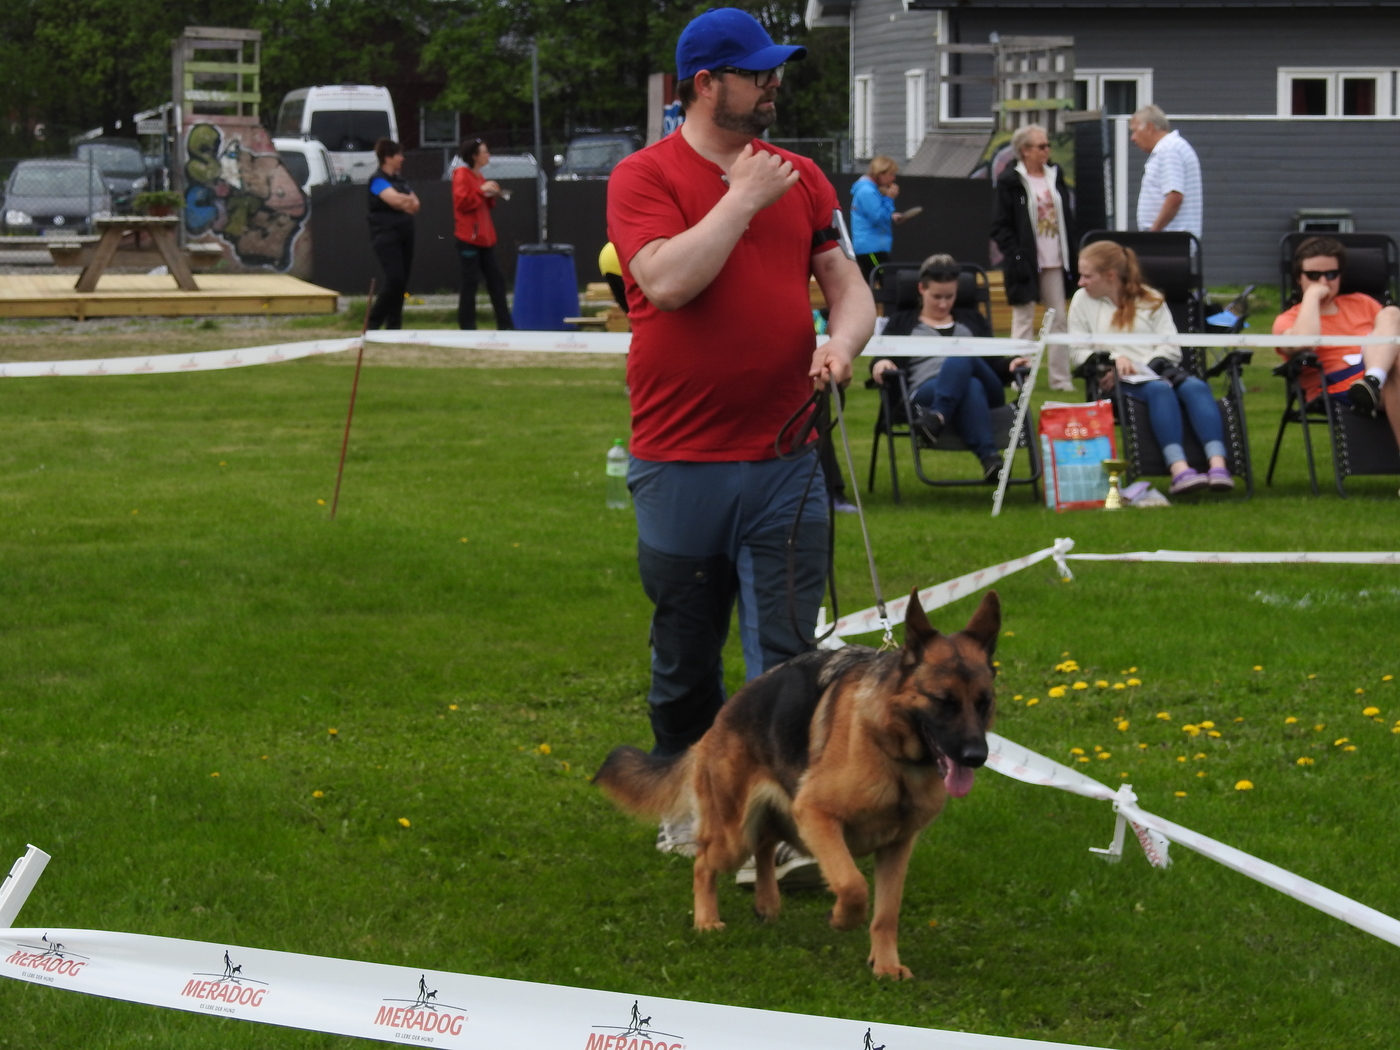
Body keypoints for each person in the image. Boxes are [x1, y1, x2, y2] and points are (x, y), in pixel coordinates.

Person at [606, 7, 874, 854]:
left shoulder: (805, 177)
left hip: (787, 454)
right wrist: (743, 198)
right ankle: (693, 809)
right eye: (756, 73)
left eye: (774, 71)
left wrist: (842, 342)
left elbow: (848, 285)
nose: (773, 85)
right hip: (679, 458)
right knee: (686, 651)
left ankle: (788, 822)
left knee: (791, 653)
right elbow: (667, 281)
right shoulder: (643, 177)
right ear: (705, 84)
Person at [1069, 240, 1233, 494]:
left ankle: (1218, 467)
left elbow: (1172, 348)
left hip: (1156, 370)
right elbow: (1077, 352)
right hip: (1115, 381)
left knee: (1196, 387)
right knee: (1159, 390)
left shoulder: (1151, 299)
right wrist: (1114, 359)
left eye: (1087, 276)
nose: (1081, 282)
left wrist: (1139, 365)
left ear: (1110, 275)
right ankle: (1179, 470)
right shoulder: (1082, 301)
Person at [871, 254, 1028, 481]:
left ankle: (937, 417)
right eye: (937, 297)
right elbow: (881, 356)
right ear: (921, 289)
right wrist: (881, 362)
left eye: (950, 296)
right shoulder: (901, 322)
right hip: (926, 389)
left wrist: (1011, 363)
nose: (943, 304)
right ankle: (990, 459)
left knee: (962, 356)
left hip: (989, 392)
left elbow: (994, 362)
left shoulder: (972, 320)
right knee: (970, 385)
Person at [1273, 236, 1400, 450]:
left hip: (1378, 374)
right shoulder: (1288, 320)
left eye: (1331, 274)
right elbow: (1305, 342)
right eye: (1313, 276)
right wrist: (1311, 297)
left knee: (1392, 313)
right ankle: (1373, 383)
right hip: (1336, 386)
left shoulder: (1363, 303)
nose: (1324, 282)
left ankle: (1372, 380)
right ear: (1299, 278)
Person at [990, 123, 1076, 390]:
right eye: (1041, 146)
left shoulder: (1055, 176)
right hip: (1024, 261)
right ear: (1025, 150)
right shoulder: (1010, 181)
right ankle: (1020, 378)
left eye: (1047, 145)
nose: (1047, 150)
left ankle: (1060, 379)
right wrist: (1016, 255)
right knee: (1023, 319)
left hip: (1055, 260)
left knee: (1058, 319)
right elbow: (1000, 225)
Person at [452, 138, 513, 331]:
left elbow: (482, 204)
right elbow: (462, 203)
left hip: (485, 239)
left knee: (497, 280)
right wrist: (481, 191)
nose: (488, 155)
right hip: (469, 238)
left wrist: (491, 195)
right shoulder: (462, 175)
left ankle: (505, 324)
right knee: (470, 282)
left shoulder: (479, 176)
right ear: (474, 156)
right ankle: (467, 325)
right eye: (485, 152)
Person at [365, 139, 419, 331]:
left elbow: (415, 205)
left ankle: (394, 325)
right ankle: (373, 322)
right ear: (388, 158)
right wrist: (404, 200)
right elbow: (395, 201)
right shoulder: (377, 180)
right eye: (399, 155)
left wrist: (402, 200)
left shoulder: (400, 180)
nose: (402, 158)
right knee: (394, 279)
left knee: (402, 282)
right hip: (386, 235)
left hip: (405, 233)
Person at [1130, 104, 1202, 238]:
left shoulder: (1168, 150)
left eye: (1135, 131)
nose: (1132, 138)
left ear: (1149, 127)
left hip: (1169, 241)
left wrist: (1153, 232)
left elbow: (1175, 196)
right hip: (1171, 240)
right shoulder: (1173, 147)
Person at [850, 155, 908, 283]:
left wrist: (891, 216)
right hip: (870, 248)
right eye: (891, 174)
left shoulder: (871, 190)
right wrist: (889, 198)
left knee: (870, 283)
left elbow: (875, 213)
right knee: (889, 280)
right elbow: (878, 218)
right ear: (880, 173)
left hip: (872, 247)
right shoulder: (867, 191)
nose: (893, 178)